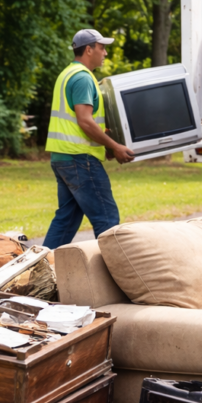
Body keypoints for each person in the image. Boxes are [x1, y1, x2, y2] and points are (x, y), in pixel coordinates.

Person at [42, 29, 135, 249]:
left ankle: (40, 268)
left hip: (63, 158)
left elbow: (80, 122)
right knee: (107, 219)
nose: (105, 53)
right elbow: (84, 121)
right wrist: (114, 146)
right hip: (79, 160)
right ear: (89, 49)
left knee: (66, 221)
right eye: (102, 48)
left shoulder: (68, 74)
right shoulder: (83, 78)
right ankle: (115, 278)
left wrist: (105, 145)